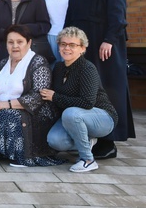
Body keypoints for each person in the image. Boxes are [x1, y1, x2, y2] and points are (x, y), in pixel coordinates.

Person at [65, 0, 134, 159]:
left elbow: (117, 12)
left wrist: (109, 39)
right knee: (86, 88)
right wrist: (66, 40)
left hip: (104, 43)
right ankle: (90, 135)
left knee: (107, 88)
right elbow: (71, 13)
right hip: (81, 43)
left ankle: (109, 141)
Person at [0, 25, 63, 167]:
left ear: (29, 43)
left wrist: (6, 104)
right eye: (10, 42)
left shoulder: (38, 62)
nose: (15, 46)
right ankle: (4, 152)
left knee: (9, 115)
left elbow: (38, 96)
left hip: (34, 114)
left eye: (19, 42)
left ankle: (23, 156)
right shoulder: (2, 64)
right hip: (3, 110)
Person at [43, 27, 119, 172]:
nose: (67, 48)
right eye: (63, 44)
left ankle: (87, 159)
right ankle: (87, 140)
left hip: (102, 117)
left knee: (70, 113)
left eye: (72, 45)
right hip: (75, 117)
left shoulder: (87, 68)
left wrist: (55, 96)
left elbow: (87, 102)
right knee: (54, 140)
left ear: (82, 48)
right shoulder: (59, 68)